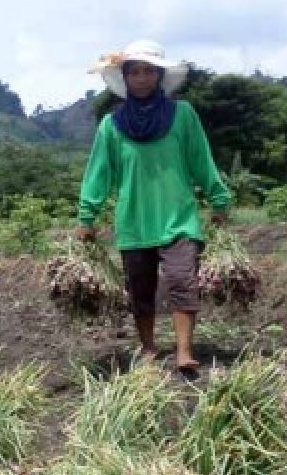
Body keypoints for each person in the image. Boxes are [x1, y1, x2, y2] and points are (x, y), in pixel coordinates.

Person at [76, 40, 231, 377]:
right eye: (135, 72)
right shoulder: (111, 126)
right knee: (140, 289)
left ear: (160, 76)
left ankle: (184, 351)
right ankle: (147, 346)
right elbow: (98, 174)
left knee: (181, 280)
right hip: (134, 221)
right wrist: (86, 216)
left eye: (149, 71)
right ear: (126, 78)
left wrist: (218, 199)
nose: (142, 78)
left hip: (179, 217)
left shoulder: (183, 115)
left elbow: (201, 159)